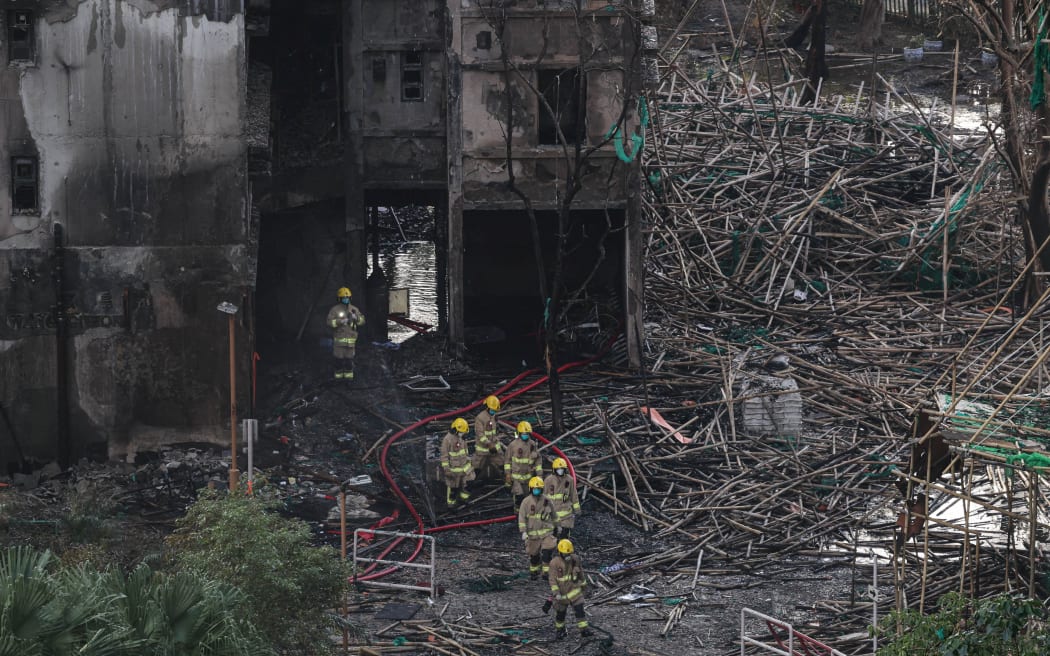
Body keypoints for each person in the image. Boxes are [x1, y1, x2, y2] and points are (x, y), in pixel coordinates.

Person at [546, 539, 593, 640]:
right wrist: (556, 593)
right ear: (560, 552)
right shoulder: (554, 563)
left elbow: (580, 573)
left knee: (580, 611)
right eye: (565, 554)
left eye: (569, 553)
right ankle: (560, 631)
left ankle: (584, 630)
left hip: (574, 591)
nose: (567, 555)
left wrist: (585, 586)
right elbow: (552, 580)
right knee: (560, 614)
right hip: (561, 594)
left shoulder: (575, 559)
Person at [517, 476, 556, 579]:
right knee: (534, 555)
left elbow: (554, 515)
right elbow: (522, 518)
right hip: (533, 534)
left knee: (547, 552)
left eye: (538, 489)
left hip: (546, 533)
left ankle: (546, 573)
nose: (536, 490)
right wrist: (523, 532)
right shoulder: (526, 502)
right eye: (534, 489)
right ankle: (534, 571)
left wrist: (558, 527)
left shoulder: (547, 501)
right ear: (531, 489)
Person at [325, 287, 365, 381]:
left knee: (349, 361)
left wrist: (356, 318)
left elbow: (362, 321)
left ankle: (349, 379)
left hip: (351, 342)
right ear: (339, 298)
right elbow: (329, 322)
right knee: (338, 360)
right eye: (343, 298)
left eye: (347, 297)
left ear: (350, 298)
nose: (346, 299)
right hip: (339, 342)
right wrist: (340, 321)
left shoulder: (354, 309)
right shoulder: (335, 310)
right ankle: (338, 378)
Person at [504, 420, 543, 509]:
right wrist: (508, 474)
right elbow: (507, 461)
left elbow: (538, 460)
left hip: (528, 478)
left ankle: (525, 513)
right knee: (519, 496)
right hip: (516, 478)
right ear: (519, 433)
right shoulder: (513, 445)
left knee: (527, 498)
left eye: (527, 433)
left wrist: (539, 475)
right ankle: (517, 513)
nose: (525, 435)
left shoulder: (532, 445)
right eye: (523, 433)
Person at [440, 418, 475, 507]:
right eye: (461, 432)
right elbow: (444, 456)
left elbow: (465, 452)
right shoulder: (447, 440)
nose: (462, 434)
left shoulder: (462, 438)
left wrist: (469, 464)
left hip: (464, 468)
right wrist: (446, 469)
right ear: (455, 430)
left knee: (466, 485)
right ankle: (451, 504)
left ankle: (464, 498)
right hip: (453, 470)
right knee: (453, 489)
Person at [544, 457, 581, 539]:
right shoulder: (548, 480)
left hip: (566, 514)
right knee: (552, 535)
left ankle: (563, 544)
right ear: (554, 469)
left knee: (564, 534)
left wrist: (577, 509)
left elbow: (573, 495)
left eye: (562, 469)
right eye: (558, 469)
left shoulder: (569, 480)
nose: (560, 471)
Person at [473, 395, 504, 480]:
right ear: (487, 407)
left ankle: (505, 479)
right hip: (482, 449)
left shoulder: (493, 416)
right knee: (477, 467)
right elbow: (480, 434)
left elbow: (493, 432)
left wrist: (495, 443)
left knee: (502, 463)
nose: (493, 412)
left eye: (495, 410)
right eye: (492, 410)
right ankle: (473, 483)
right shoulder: (480, 418)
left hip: (494, 447)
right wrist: (488, 443)